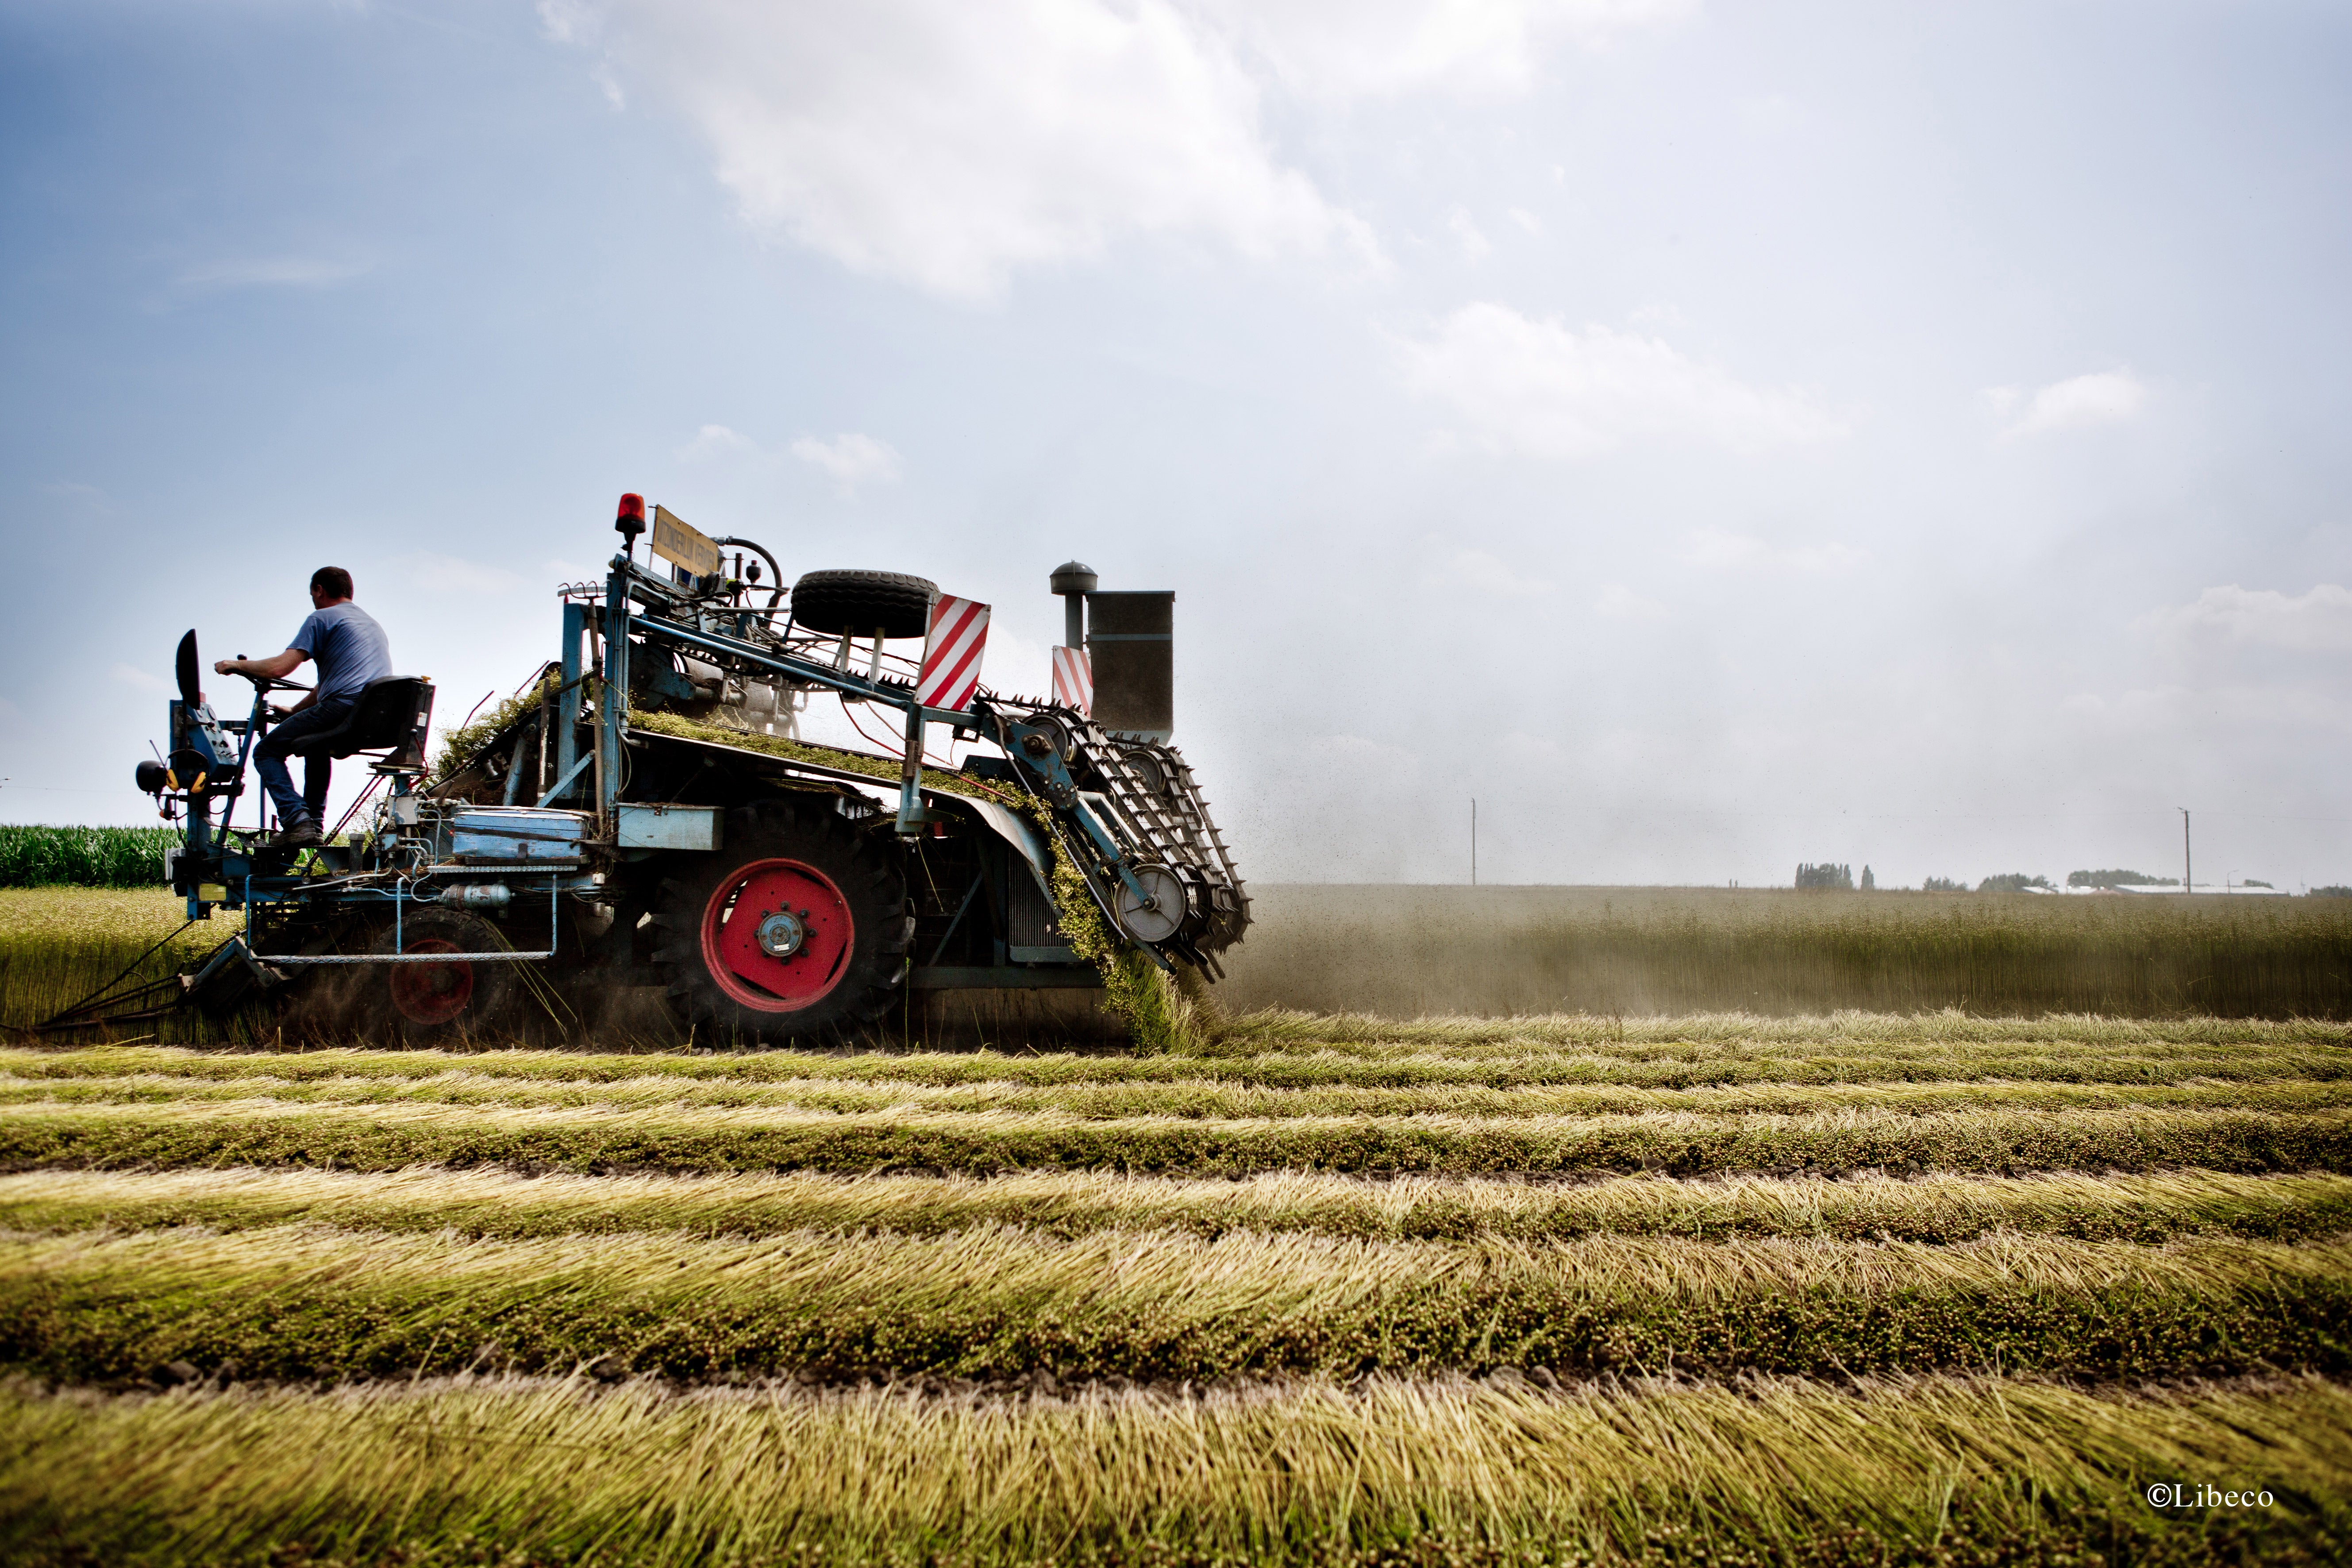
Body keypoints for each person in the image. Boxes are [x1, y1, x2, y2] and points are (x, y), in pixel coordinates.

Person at [215, 566, 394, 849]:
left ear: (319, 590)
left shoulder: (321, 618)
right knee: (316, 745)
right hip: (373, 715)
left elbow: (278, 668)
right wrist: (294, 712)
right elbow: (327, 687)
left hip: (342, 707)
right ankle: (314, 825)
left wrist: (236, 665)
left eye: (313, 593)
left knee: (265, 752)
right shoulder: (371, 623)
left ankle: (297, 821)